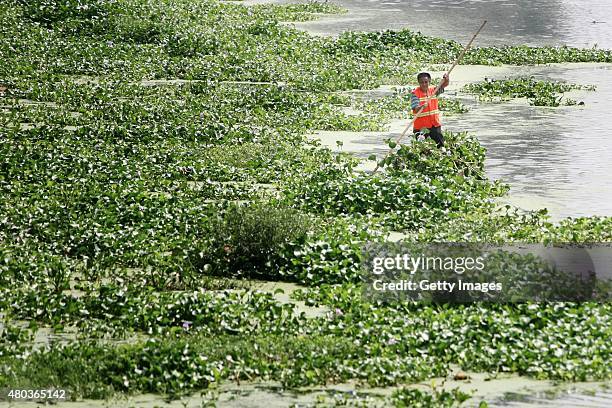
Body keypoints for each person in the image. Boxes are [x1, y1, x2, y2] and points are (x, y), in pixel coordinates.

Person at [410, 72, 449, 148]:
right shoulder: (415, 94)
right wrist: (421, 107)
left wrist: (446, 79)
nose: (424, 84)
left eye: (426, 82)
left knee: (441, 147)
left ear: (429, 82)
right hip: (421, 128)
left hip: (434, 125)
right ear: (419, 83)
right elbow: (415, 108)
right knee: (421, 149)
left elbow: (444, 85)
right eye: (422, 82)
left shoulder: (434, 91)